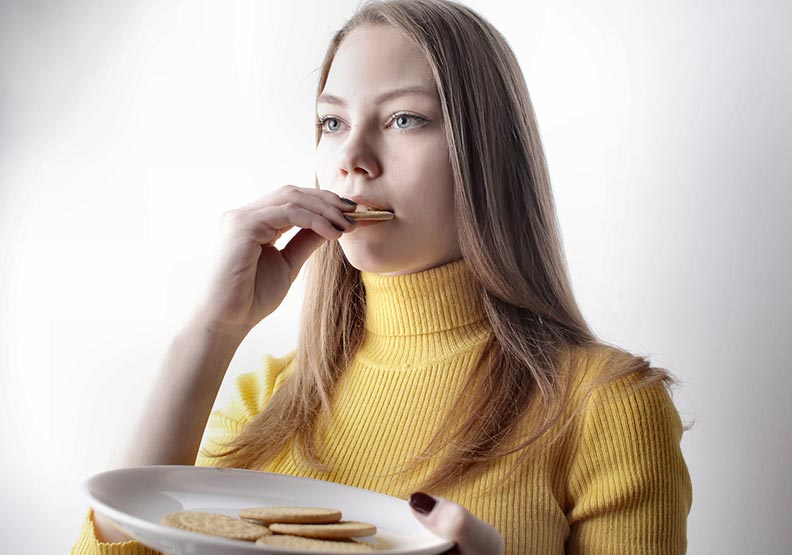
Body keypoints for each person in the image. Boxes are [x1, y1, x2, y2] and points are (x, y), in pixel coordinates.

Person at [70, 1, 693, 553]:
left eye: (404, 120)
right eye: (333, 122)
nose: (352, 159)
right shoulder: (268, 398)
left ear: (486, 154)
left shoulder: (606, 405)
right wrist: (209, 333)